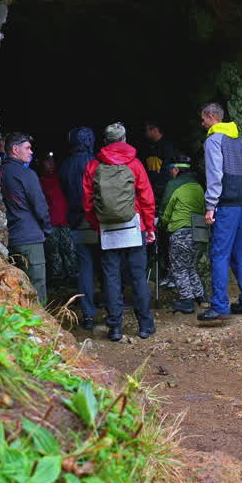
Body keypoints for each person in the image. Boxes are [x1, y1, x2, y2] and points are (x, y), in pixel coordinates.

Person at [83, 122, 156, 341]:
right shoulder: (135, 164)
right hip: (134, 226)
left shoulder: (93, 166)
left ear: (105, 142)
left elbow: (87, 203)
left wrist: (97, 225)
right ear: (124, 139)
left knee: (111, 278)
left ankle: (115, 328)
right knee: (138, 277)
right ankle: (145, 326)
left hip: (108, 229)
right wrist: (149, 227)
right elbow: (146, 198)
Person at [197, 103, 242, 323]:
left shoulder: (213, 140)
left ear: (211, 116)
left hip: (226, 206)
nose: (202, 123)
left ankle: (219, 306)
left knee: (219, 254)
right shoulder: (237, 140)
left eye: (203, 119)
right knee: (240, 254)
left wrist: (210, 205)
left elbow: (215, 174)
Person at [0, 132, 51, 304]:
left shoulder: (0, 172)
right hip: (30, 237)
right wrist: (46, 229)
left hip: (11, 239)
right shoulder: (26, 174)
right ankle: (38, 319)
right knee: (36, 288)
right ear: (15, 149)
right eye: (27, 148)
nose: (31, 152)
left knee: (17, 289)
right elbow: (40, 206)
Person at [59, 126, 100, 330]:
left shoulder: (65, 165)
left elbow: (65, 190)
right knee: (108, 264)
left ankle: (88, 314)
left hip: (76, 220)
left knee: (85, 268)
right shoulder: (96, 162)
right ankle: (112, 307)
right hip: (97, 219)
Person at [159, 156, 205, 313]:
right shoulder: (198, 186)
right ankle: (200, 297)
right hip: (199, 230)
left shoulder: (174, 186)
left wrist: (161, 224)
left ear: (176, 169)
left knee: (179, 268)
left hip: (181, 231)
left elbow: (166, 210)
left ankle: (186, 301)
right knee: (191, 266)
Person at [140, 120, 181, 285]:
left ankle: (171, 273)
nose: (145, 133)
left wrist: (161, 191)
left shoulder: (168, 148)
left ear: (155, 129)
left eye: (147, 129)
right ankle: (160, 272)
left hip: (163, 196)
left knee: (167, 236)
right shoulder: (149, 148)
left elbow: (169, 174)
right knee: (154, 237)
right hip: (152, 196)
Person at [37, 154, 76, 284]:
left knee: (69, 249)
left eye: (52, 162)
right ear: (41, 165)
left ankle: (72, 276)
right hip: (50, 223)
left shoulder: (61, 179)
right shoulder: (39, 182)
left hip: (64, 221)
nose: (50, 165)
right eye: (47, 162)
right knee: (54, 253)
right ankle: (57, 278)